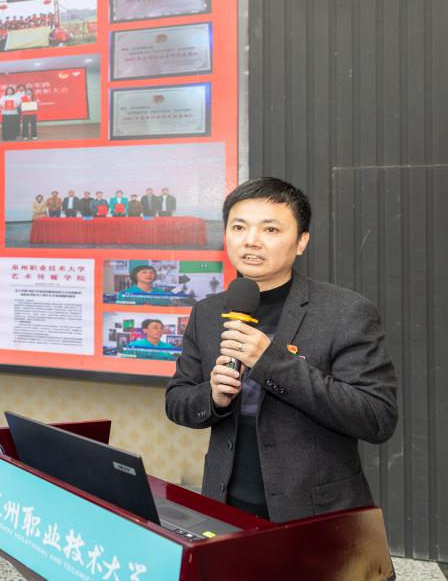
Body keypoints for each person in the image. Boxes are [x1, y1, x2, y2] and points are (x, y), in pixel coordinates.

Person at [165, 177, 397, 523]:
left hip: (316, 514)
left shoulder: (345, 312)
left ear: (301, 241)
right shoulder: (209, 312)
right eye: (239, 227)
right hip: (225, 505)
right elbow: (177, 400)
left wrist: (270, 361)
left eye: (270, 229)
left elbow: (376, 417)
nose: (251, 240)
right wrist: (213, 398)